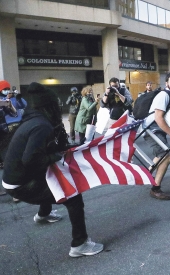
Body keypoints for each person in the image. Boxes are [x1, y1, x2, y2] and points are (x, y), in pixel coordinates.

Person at [2, 82, 103, 256]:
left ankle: (43, 214)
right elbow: (31, 160)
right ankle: (80, 244)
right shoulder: (41, 126)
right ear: (49, 106)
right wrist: (55, 156)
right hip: (20, 183)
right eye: (55, 104)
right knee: (73, 196)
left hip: (15, 178)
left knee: (51, 179)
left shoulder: (33, 120)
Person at [143, 72, 170, 200]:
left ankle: (144, 176)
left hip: (157, 130)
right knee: (166, 157)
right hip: (152, 130)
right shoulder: (164, 95)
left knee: (160, 157)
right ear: (166, 83)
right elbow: (158, 118)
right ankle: (155, 189)